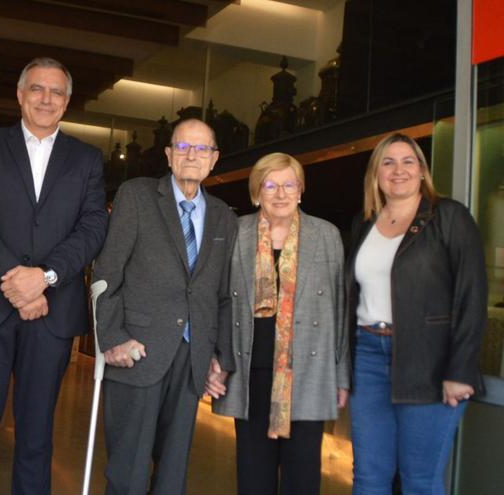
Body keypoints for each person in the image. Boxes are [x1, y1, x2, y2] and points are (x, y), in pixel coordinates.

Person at [0, 57, 107, 494]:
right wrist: (19, 280)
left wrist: (48, 276)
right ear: (20, 95)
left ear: (68, 101)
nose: (46, 98)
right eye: (37, 89)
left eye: (56, 92)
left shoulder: (87, 159)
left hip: (53, 313)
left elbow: (93, 227)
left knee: (37, 433)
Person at [93, 118, 237, 494]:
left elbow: (223, 294)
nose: (192, 155)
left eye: (201, 148)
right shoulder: (137, 195)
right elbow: (106, 273)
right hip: (136, 352)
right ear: (169, 154)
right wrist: (112, 337)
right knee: (129, 473)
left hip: (191, 360)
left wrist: (219, 355)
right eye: (183, 147)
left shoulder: (224, 215)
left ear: (214, 159)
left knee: (173, 478)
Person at [348, 133, 487, 494]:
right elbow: (351, 297)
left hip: (430, 360)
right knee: (368, 477)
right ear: (375, 173)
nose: (399, 170)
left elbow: (472, 296)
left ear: (422, 171)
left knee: (419, 481)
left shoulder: (448, 216)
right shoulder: (364, 224)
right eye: (388, 162)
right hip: (367, 357)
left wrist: (460, 370)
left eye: (408, 161)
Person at [210, 152, 349, 494]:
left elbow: (340, 308)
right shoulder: (235, 232)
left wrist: (341, 373)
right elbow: (217, 301)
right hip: (249, 374)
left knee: (302, 477)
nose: (281, 193)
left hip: (308, 374)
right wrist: (214, 357)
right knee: (253, 475)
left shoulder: (326, 235)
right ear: (257, 191)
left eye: (289, 184)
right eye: (270, 184)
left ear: (301, 190)